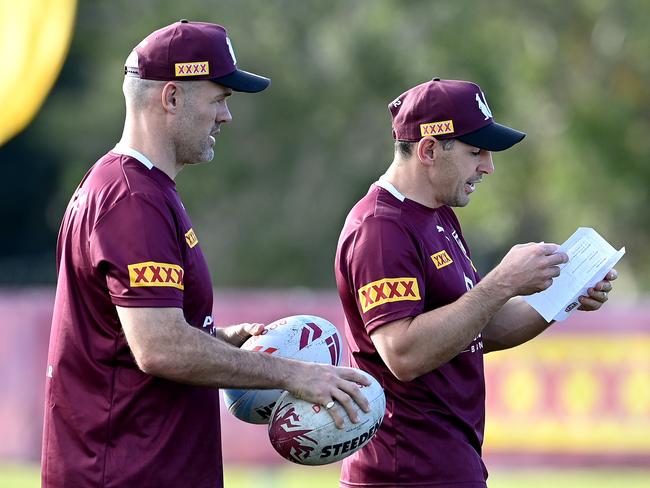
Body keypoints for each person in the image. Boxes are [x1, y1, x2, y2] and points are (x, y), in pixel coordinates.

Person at [41, 20, 370, 488]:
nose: (226, 117)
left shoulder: (135, 187)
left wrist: (218, 340)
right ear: (171, 97)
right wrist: (293, 374)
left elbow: (138, 336)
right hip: (126, 474)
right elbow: (158, 347)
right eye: (218, 99)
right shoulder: (133, 197)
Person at [334, 78, 617, 487]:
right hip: (403, 471)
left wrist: (565, 293)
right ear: (429, 149)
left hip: (449, 461)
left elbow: (477, 329)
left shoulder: (438, 214)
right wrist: (502, 282)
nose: (488, 166)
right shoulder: (381, 228)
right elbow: (403, 354)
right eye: (475, 152)